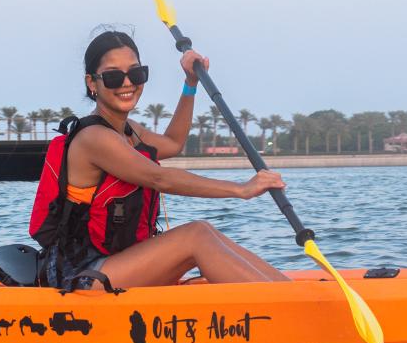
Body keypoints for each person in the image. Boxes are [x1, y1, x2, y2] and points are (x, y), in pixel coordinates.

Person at [30, 29, 289, 292]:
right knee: (195, 237)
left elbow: (174, 143)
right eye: (113, 76)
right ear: (92, 83)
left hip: (115, 262)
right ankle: (288, 305)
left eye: (136, 73)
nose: (127, 82)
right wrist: (241, 189)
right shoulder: (94, 138)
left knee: (204, 230)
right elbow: (159, 178)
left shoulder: (129, 129)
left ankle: (291, 293)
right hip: (81, 273)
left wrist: (190, 83)